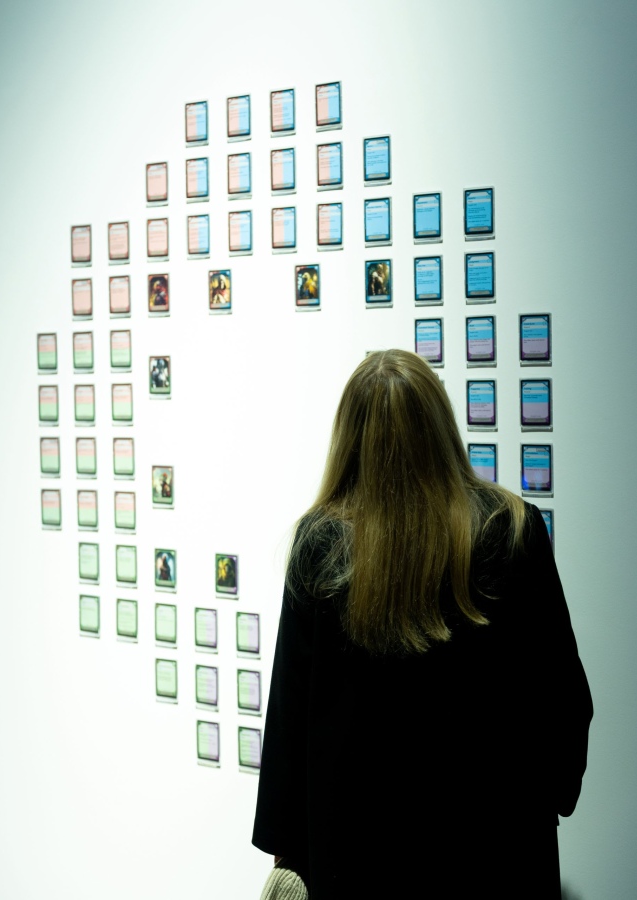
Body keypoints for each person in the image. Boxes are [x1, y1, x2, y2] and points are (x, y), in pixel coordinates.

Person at [252, 350, 592, 899]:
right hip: (497, 854)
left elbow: (290, 719)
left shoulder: (320, 545)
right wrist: (544, 798)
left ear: (349, 438)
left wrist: (288, 850)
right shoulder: (509, 530)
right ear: (441, 424)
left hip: (359, 860)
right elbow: (563, 699)